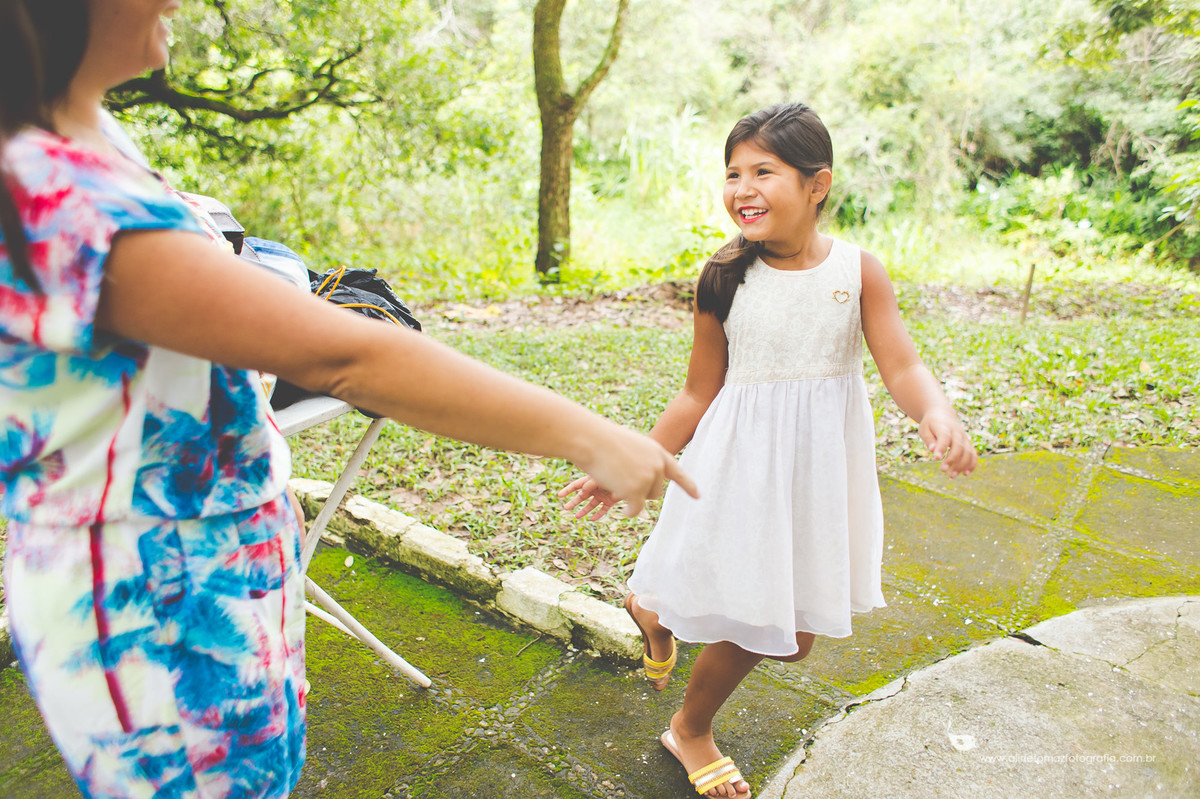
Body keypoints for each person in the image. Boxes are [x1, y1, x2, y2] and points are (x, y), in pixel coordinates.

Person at [0, 1, 698, 797]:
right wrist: (591, 435)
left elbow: (170, 376)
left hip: (204, 563)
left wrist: (261, 488)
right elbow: (348, 355)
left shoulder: (84, 133)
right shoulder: (59, 194)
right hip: (155, 608)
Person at [560, 102, 978, 798]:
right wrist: (632, 457)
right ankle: (690, 727)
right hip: (737, 465)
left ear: (818, 184)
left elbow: (901, 366)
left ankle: (652, 610)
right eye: (732, 172)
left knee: (795, 627)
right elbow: (697, 393)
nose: (741, 188)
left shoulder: (859, 271)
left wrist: (935, 409)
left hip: (815, 473)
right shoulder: (723, 277)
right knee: (767, 620)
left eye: (763, 171)